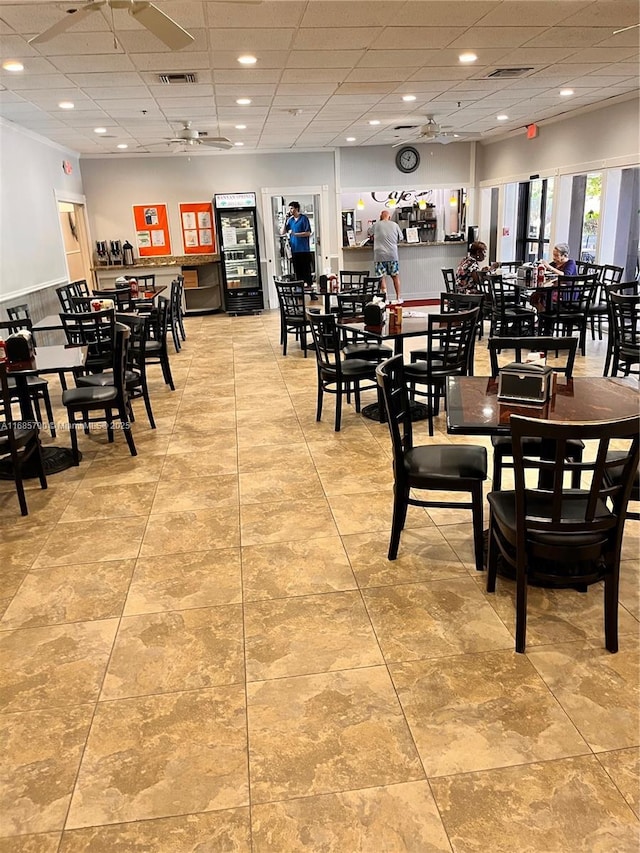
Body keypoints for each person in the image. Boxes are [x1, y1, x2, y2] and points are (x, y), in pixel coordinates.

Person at [368, 210, 404, 300]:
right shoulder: (395, 225)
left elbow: (369, 232)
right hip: (392, 254)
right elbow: (401, 237)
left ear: (380, 216)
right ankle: (398, 297)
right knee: (395, 276)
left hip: (379, 255)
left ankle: (385, 298)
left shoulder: (376, 225)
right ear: (389, 217)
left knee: (382, 277)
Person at [530, 242, 577, 310]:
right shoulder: (555, 263)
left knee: (544, 296)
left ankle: (545, 317)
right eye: (553, 255)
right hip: (554, 288)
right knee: (536, 295)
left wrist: (549, 267)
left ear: (564, 255)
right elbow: (547, 270)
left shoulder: (570, 263)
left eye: (556, 255)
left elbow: (565, 275)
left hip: (566, 292)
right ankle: (542, 317)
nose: (554, 258)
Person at [281, 201, 313, 286]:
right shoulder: (290, 221)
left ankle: (310, 290)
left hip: (304, 250)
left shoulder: (304, 219)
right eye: (290, 209)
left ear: (296, 208)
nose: (290, 210)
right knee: (297, 272)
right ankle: (299, 290)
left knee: (306, 271)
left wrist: (295, 234)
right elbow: (282, 232)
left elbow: (308, 233)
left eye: (292, 208)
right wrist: (285, 220)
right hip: (294, 250)